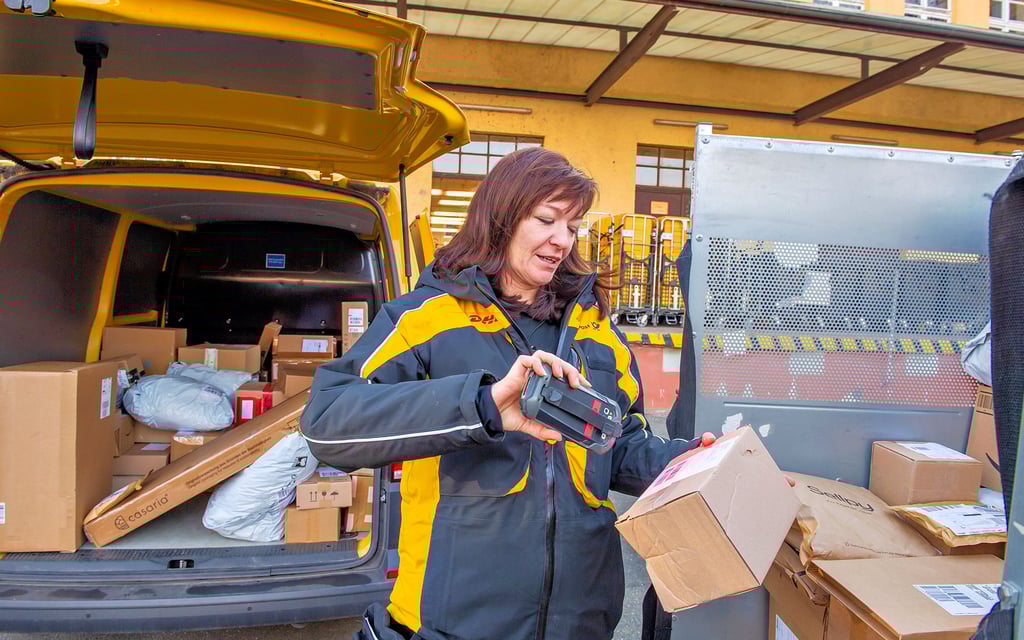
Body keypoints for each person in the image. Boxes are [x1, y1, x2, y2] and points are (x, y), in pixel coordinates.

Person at [300, 147, 715, 640]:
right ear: (500, 219)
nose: (562, 241)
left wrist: (688, 463)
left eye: (574, 226)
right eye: (546, 220)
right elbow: (329, 425)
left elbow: (616, 441)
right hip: (455, 618)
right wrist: (483, 406)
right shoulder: (427, 319)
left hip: (581, 621)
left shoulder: (596, 331)